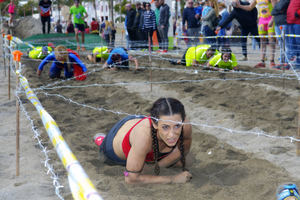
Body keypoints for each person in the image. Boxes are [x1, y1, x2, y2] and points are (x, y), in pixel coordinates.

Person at [94, 97, 192, 184]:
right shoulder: (144, 136)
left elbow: (184, 149)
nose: (172, 134)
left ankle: (150, 159)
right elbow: (130, 179)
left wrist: (157, 167)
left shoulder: (184, 125)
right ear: (155, 124)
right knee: (136, 164)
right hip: (113, 146)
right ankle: (101, 140)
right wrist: (173, 179)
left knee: (183, 162)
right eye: (166, 127)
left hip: (139, 125)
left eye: (177, 126)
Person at [236, 0, 277, 68]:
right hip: (262, 20)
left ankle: (272, 61)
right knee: (262, 41)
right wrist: (240, 6)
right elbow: (249, 7)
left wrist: (272, 20)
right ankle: (262, 61)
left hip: (270, 19)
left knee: (271, 40)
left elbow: (275, 9)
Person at [286, 0, 300, 69]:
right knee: (292, 43)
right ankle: (295, 62)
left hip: (298, 23)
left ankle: (298, 62)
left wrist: (298, 13)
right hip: (290, 22)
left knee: (298, 43)